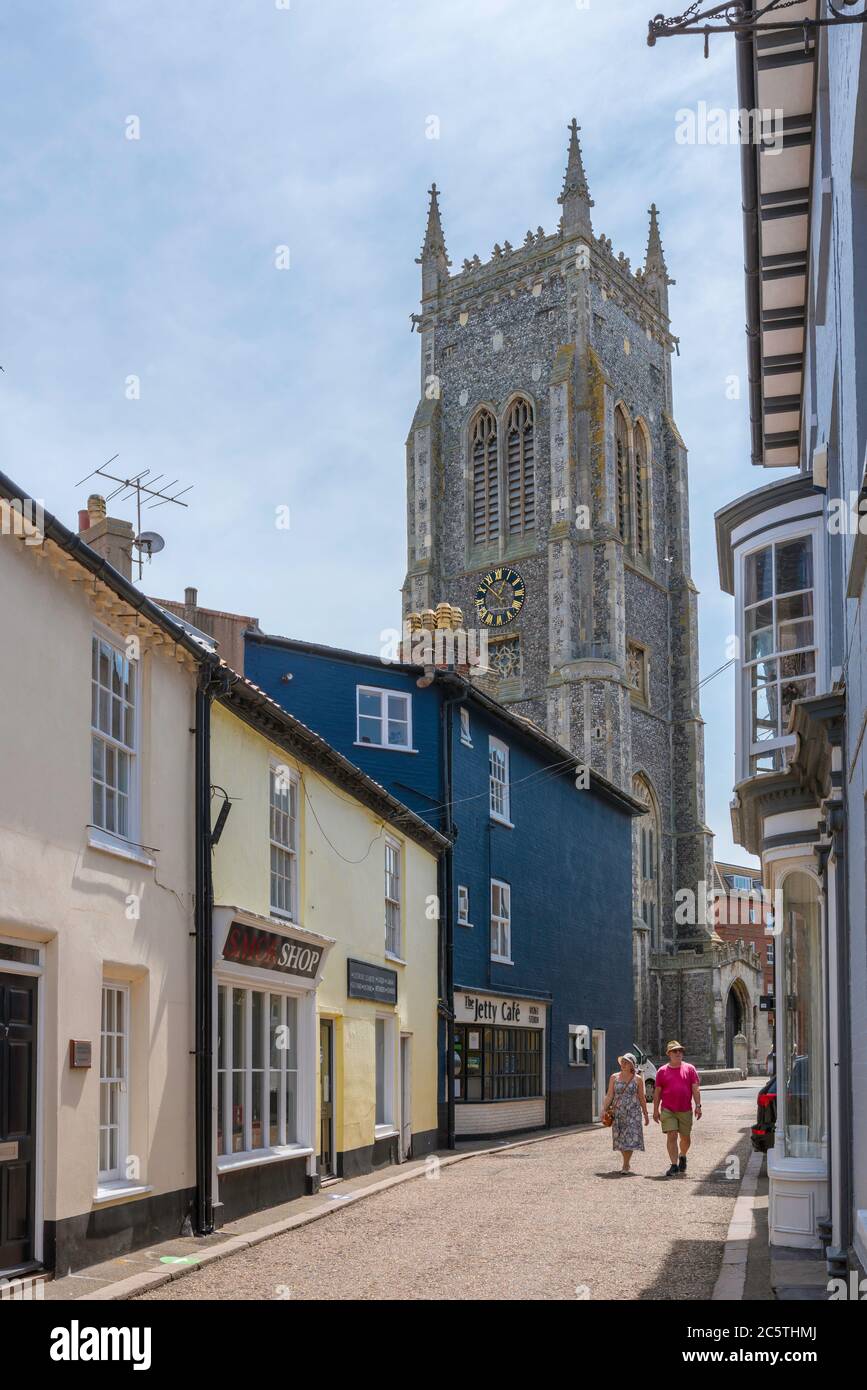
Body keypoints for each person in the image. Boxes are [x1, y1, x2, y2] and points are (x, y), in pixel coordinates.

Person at [653, 1041, 701, 1177]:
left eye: (680, 1050)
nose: (678, 1053)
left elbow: (695, 1088)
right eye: (675, 1051)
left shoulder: (690, 1069)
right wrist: (655, 1110)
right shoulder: (662, 1071)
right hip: (668, 1109)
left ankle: (683, 1155)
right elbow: (657, 1092)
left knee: (685, 1138)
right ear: (669, 1054)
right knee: (672, 1135)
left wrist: (698, 1106)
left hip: (685, 1109)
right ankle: (674, 1165)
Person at [602, 1052, 649, 1173]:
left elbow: (642, 1097)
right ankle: (626, 1161)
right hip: (618, 1112)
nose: (623, 1064)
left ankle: (626, 1164)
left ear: (632, 1065)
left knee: (631, 1137)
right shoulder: (614, 1077)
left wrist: (645, 1114)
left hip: (633, 1112)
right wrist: (604, 1109)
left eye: (626, 1062)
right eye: (622, 1062)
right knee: (620, 1138)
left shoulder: (638, 1079)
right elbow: (609, 1095)